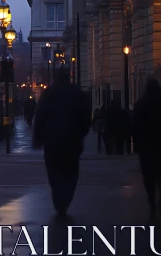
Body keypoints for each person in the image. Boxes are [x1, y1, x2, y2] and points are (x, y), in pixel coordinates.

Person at [33, 66, 92, 216]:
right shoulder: (78, 94)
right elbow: (86, 118)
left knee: (54, 171)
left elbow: (40, 116)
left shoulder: (49, 94)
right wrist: (80, 134)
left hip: (52, 142)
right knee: (71, 172)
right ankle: (65, 199)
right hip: (73, 141)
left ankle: (58, 198)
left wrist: (38, 138)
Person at [132, 78, 161, 218]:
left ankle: (151, 198)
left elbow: (135, 125)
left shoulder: (141, 105)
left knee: (148, 175)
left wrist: (137, 142)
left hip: (146, 145)